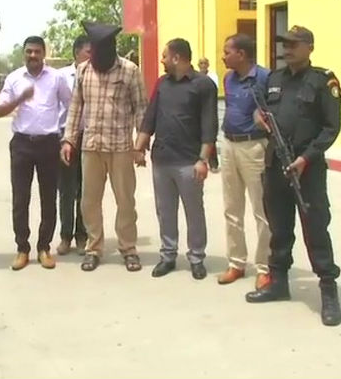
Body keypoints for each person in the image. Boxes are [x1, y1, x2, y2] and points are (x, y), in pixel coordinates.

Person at [245, 26, 341, 327]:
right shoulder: (275, 79)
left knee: (315, 228)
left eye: (293, 44)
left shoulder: (323, 80)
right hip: (276, 165)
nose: (287, 49)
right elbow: (260, 113)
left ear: (309, 47)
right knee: (279, 226)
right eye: (284, 44)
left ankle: (328, 290)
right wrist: (258, 119)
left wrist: (305, 158)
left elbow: (331, 127)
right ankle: (278, 282)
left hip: (307, 168)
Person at [61, 22, 147, 272]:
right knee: (89, 202)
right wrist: (68, 140)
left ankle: (128, 249)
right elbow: (76, 107)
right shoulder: (83, 70)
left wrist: (140, 146)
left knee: (125, 201)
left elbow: (141, 109)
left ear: (112, 48)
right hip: (91, 147)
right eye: (93, 50)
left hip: (121, 147)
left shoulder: (130, 70)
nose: (96, 56)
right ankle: (94, 248)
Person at [138, 39, 218, 280]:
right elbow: (150, 117)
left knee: (194, 212)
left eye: (165, 56)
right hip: (162, 159)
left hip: (189, 161)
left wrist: (203, 160)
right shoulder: (162, 84)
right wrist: (139, 147)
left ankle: (196, 257)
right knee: (165, 211)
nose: (162, 60)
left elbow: (209, 124)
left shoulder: (203, 85)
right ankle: (168, 255)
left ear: (176, 58)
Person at [0, 36, 71, 270]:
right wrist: (20, 98)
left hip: (49, 144)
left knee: (48, 199)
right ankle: (22, 249)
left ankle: (44, 248)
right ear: (24, 54)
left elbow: (71, 105)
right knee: (20, 199)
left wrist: (65, 137)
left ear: (44, 53)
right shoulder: (14, 78)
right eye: (29, 51)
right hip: (22, 145)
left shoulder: (56, 77)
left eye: (37, 51)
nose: (33, 56)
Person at [217, 33, 271, 290]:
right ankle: (236, 262)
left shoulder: (265, 77)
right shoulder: (229, 78)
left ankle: (265, 267)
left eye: (227, 52)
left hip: (254, 147)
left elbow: (273, 110)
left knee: (262, 210)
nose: (223, 56)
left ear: (241, 54)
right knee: (232, 208)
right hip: (229, 145)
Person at [56, 35, 91, 256]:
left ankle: (82, 235)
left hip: (88, 138)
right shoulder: (60, 77)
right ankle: (65, 236)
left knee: (86, 190)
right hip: (66, 139)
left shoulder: (96, 74)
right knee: (67, 190)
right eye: (89, 52)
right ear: (77, 52)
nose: (93, 56)